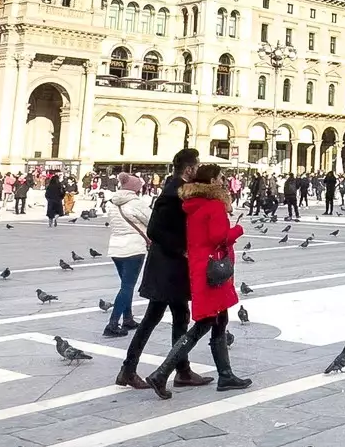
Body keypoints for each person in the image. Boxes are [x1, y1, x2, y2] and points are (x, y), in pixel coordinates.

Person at [144, 163, 249, 396]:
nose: (224, 181)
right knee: (205, 324)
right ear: (212, 182)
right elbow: (219, 237)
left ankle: (225, 375)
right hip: (214, 272)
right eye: (221, 178)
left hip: (202, 269)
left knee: (218, 321)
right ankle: (161, 374)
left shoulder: (194, 205)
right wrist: (238, 230)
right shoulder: (214, 205)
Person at [117, 149, 211, 391]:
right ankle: (132, 369)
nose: (198, 169)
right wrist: (182, 249)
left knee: (178, 316)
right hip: (167, 268)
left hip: (170, 267)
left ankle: (180, 370)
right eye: (196, 165)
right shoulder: (173, 193)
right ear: (189, 169)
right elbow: (155, 230)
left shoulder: (176, 188)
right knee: (154, 318)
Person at [105, 174, 150, 337]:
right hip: (134, 248)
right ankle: (112, 324)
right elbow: (151, 221)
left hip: (116, 248)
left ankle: (128, 318)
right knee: (128, 286)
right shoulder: (137, 203)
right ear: (135, 188)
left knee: (125, 284)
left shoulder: (112, 203)